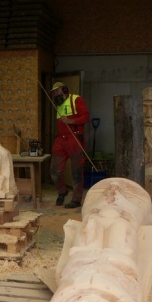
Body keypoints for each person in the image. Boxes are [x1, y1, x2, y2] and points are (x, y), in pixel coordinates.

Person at [49, 81, 90, 209]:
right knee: (54, 170)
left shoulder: (76, 99)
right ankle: (62, 191)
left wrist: (71, 120)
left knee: (76, 170)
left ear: (64, 89)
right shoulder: (58, 104)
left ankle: (76, 199)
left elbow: (86, 118)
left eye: (57, 91)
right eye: (54, 92)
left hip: (75, 137)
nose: (55, 94)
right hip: (61, 139)